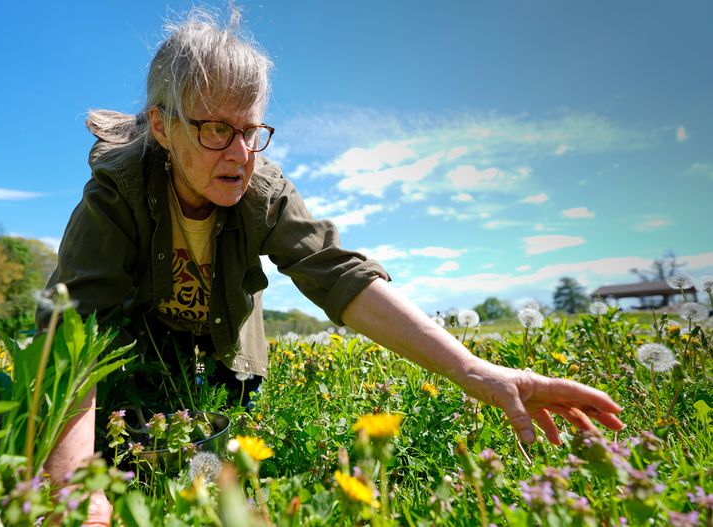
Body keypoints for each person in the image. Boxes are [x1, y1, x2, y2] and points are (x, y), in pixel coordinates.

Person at [38, 8, 624, 525]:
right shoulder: (116, 194)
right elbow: (71, 329)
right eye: (216, 129)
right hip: (132, 362)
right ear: (164, 126)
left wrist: (476, 372)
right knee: (120, 454)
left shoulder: (262, 192)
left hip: (219, 371)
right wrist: (75, 493)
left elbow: (341, 277)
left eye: (249, 130)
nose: (240, 155)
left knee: (205, 466)